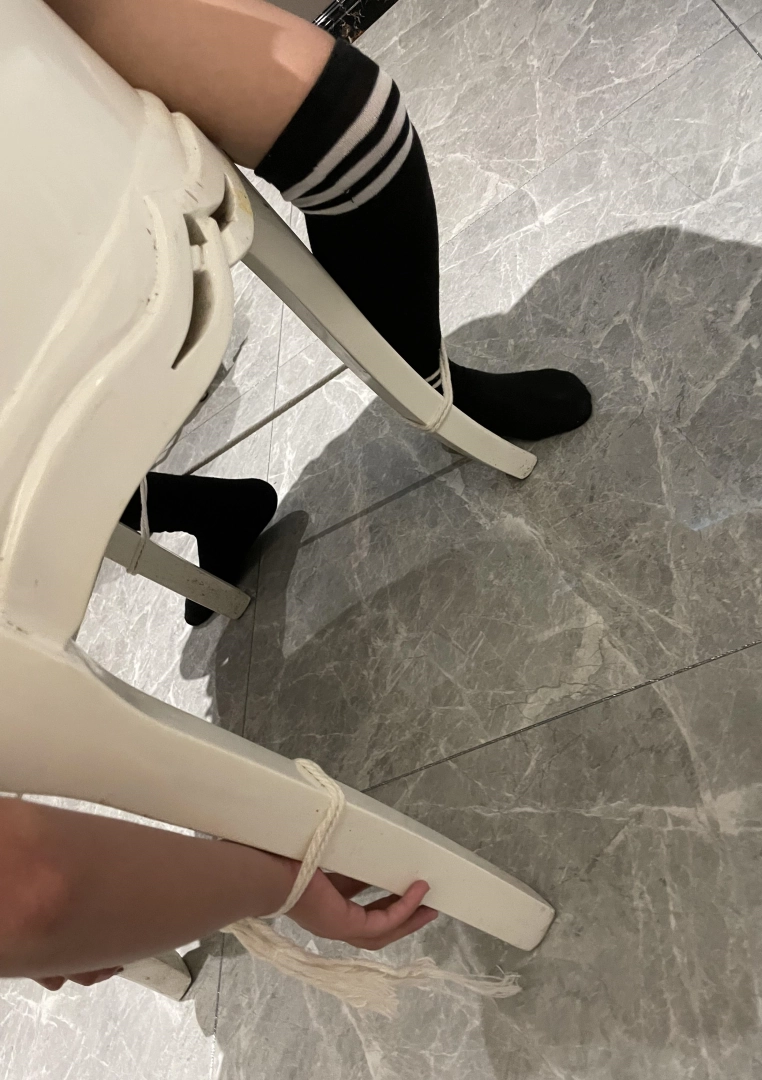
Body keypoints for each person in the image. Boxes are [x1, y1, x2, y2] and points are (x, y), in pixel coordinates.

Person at [0, 0, 591, 990]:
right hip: (74, 166)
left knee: (347, 124)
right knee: (351, 122)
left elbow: (35, 896)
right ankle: (413, 396)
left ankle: (371, 416)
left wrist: (278, 879)